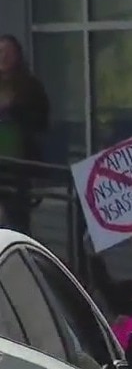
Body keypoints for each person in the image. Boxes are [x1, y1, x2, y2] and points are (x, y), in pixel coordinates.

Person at [0, 34, 49, 234]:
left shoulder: (30, 86)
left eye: (8, 52)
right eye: (0, 52)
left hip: (18, 165)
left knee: (17, 221)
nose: (3, 57)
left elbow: (41, 122)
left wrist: (14, 109)